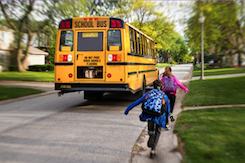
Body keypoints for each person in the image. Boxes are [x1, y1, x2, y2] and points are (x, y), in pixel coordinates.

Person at [124, 79, 170, 158]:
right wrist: (167, 119)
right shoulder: (164, 96)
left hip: (149, 114)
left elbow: (137, 102)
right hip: (160, 116)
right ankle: (152, 150)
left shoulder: (148, 93)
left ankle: (151, 134)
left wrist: (127, 109)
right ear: (162, 87)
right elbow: (168, 109)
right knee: (158, 132)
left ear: (153, 87)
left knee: (150, 129)